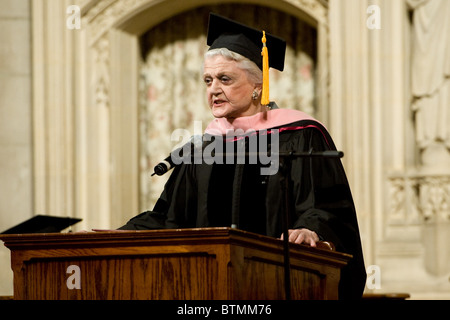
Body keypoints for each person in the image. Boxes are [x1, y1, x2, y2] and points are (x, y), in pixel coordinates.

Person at [119, 13, 366, 299]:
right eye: (208, 80)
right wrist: (121, 234)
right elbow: (170, 218)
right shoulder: (202, 149)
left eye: (225, 78)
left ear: (257, 86)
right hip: (208, 290)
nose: (213, 89)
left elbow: (326, 208)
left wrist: (311, 231)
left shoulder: (300, 135)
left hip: (278, 288)